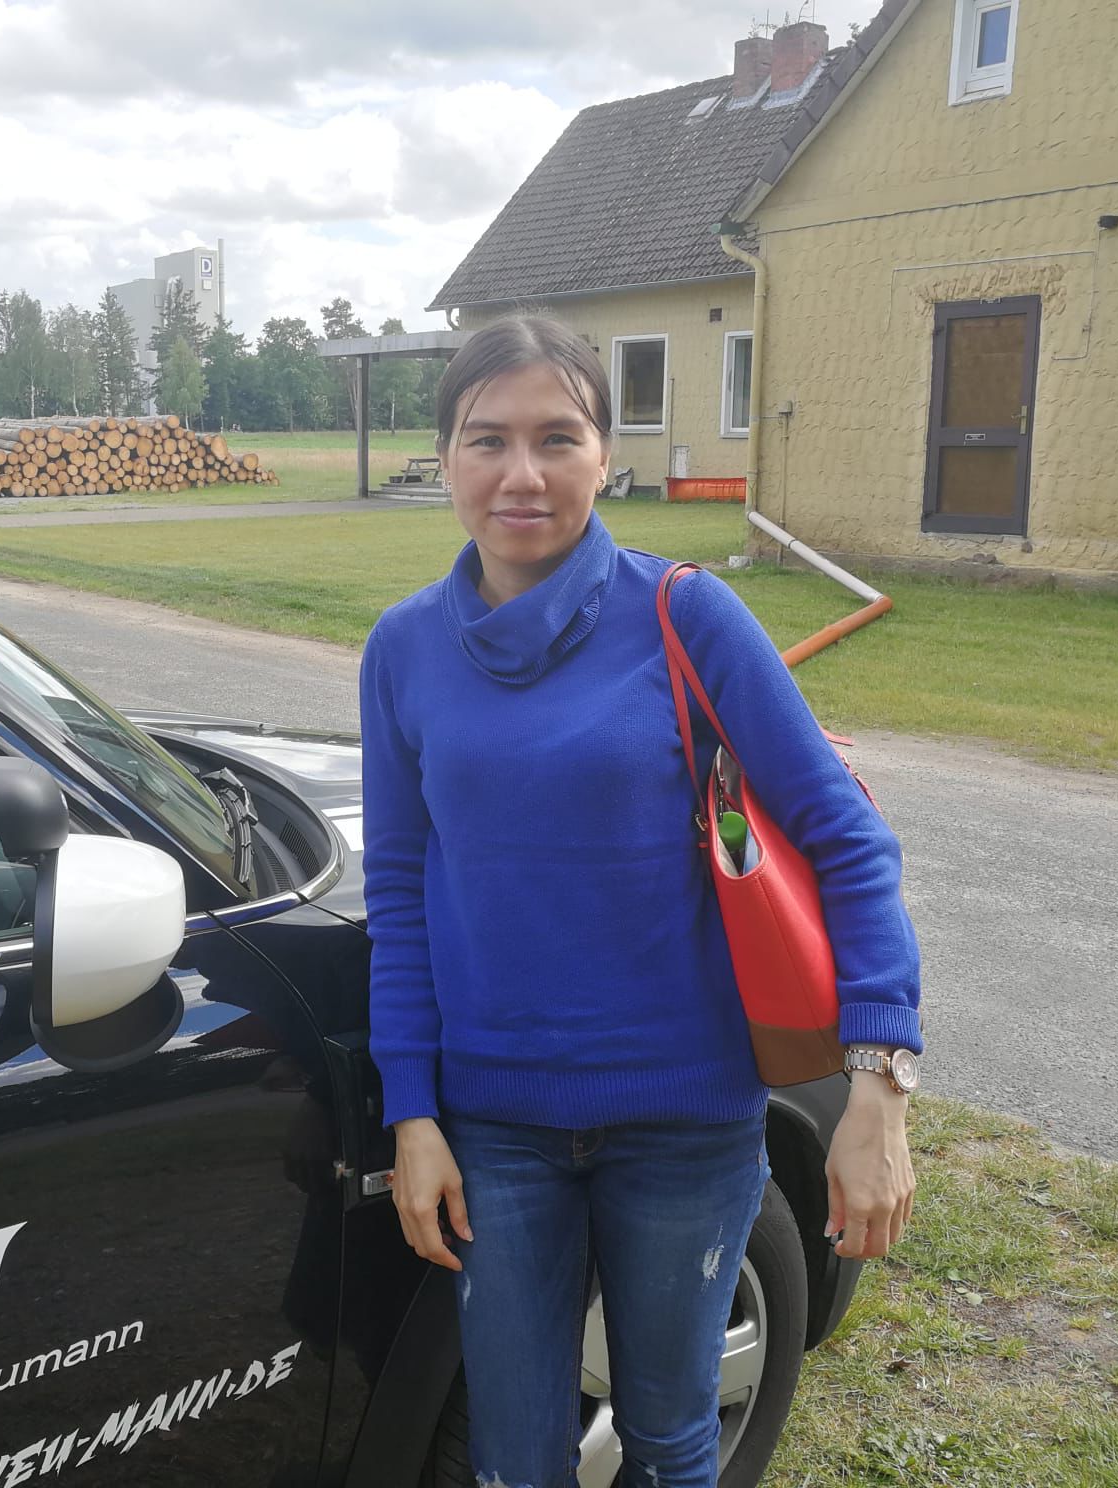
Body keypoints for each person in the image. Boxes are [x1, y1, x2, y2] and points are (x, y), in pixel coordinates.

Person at [359, 315, 922, 1488]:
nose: (521, 474)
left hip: (684, 1123)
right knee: (514, 1459)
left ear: (604, 455)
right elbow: (401, 892)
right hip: (493, 1127)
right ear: (446, 457)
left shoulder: (683, 615)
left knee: (668, 1446)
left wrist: (878, 1088)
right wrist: (413, 1115)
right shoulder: (401, 650)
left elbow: (845, 839)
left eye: (556, 438)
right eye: (487, 439)